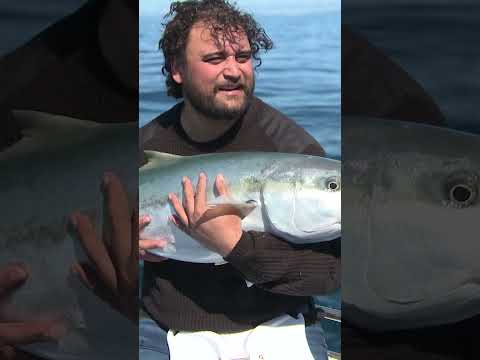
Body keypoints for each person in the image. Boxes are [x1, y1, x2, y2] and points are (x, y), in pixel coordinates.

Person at [138, 1, 341, 359]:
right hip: (169, 324)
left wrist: (236, 246)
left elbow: (331, 271)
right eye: (215, 59)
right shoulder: (144, 146)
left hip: (280, 321)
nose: (234, 70)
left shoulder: (292, 148)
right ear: (177, 69)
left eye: (243, 57)